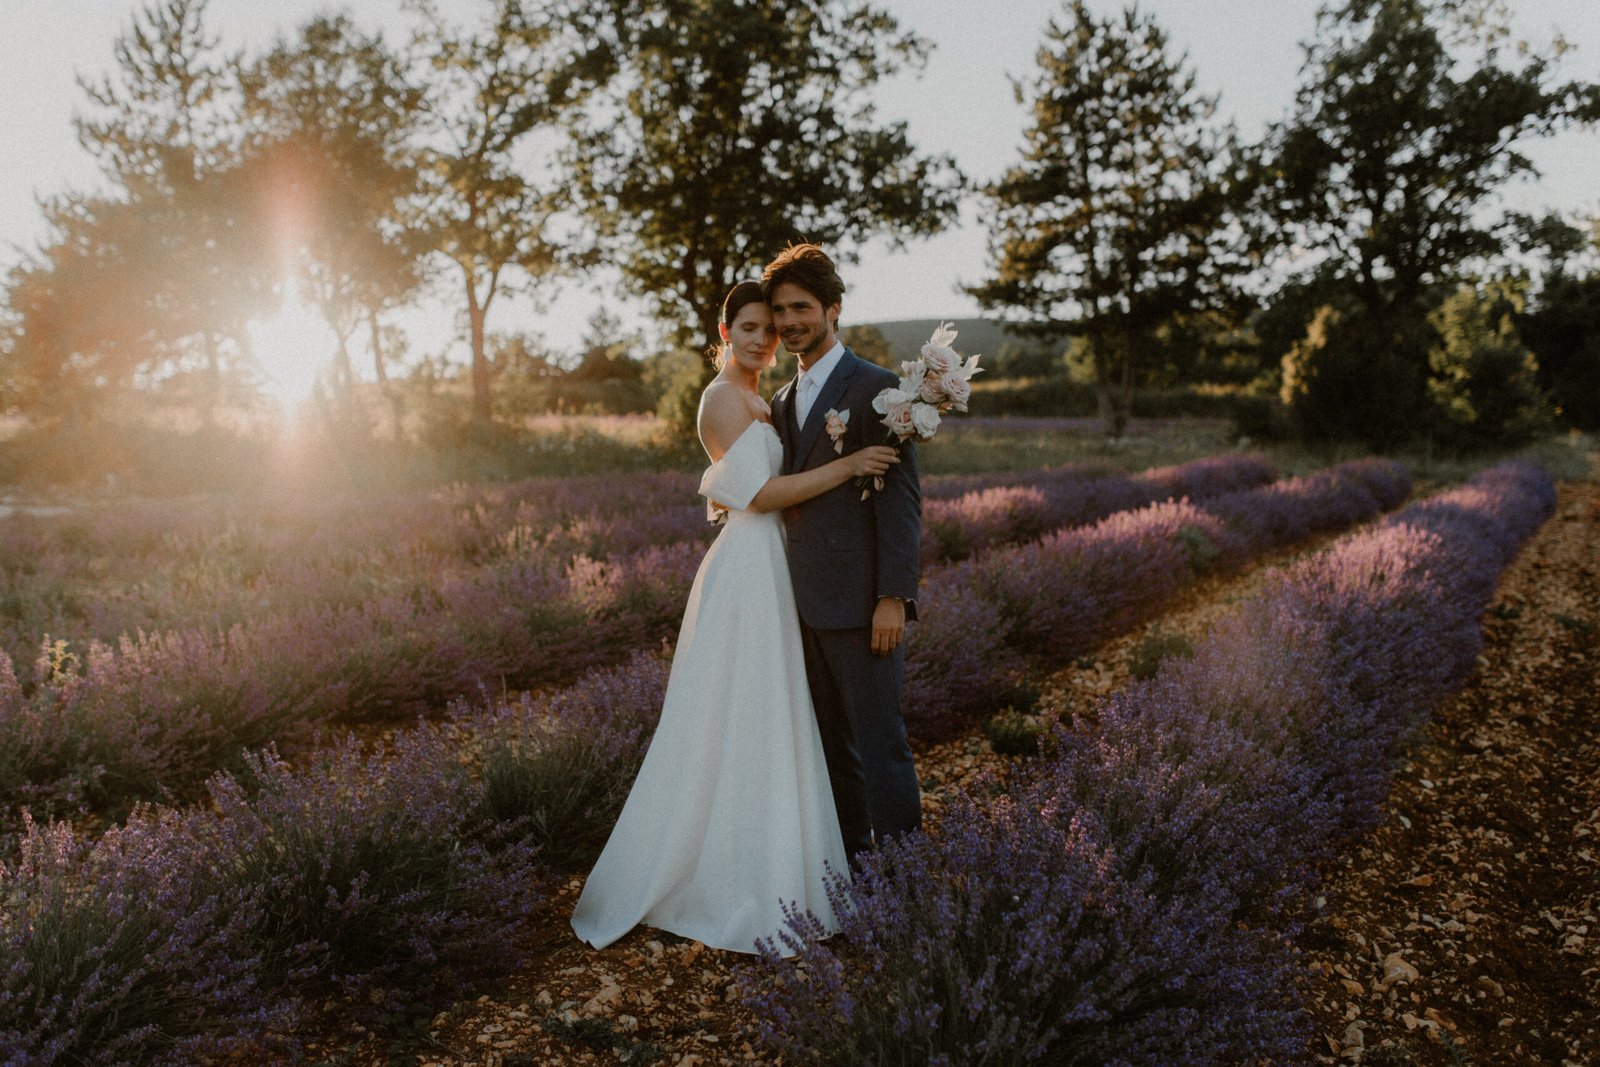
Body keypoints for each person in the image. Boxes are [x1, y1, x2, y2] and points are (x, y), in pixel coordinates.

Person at [570, 282, 900, 955]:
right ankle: (740, 878)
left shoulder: (768, 400)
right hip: (750, 571)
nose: (762, 339)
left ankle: (799, 867)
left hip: (782, 566)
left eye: (769, 329)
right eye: (748, 327)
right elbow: (758, 493)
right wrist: (847, 467)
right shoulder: (721, 400)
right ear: (724, 331)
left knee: (784, 715)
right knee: (748, 712)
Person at [762, 243, 923, 864]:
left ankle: (906, 883)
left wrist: (893, 597)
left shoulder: (880, 391)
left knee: (881, 746)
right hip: (796, 605)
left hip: (861, 606)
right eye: (780, 311)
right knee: (831, 748)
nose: (789, 322)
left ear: (833, 309)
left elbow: (901, 505)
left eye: (801, 307)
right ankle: (857, 871)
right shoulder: (780, 400)